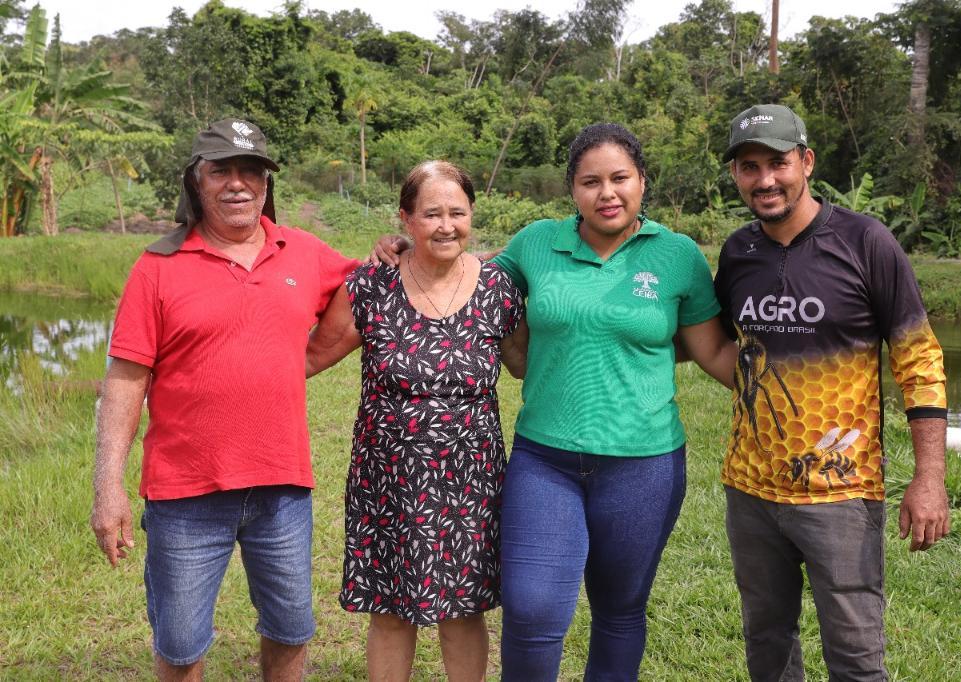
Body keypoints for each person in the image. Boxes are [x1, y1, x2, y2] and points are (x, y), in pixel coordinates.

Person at [373, 124, 738, 681]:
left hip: (644, 463)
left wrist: (792, 386)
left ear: (642, 182)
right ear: (573, 189)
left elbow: (711, 350)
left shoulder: (678, 255)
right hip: (546, 459)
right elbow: (467, 269)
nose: (607, 193)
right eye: (591, 182)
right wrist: (409, 246)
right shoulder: (537, 243)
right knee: (532, 607)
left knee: (619, 610)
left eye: (620, 179)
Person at [89, 118, 360, 681]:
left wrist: (395, 247)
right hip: (186, 494)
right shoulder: (156, 267)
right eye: (222, 171)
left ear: (266, 183)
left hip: (281, 487)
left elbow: (371, 289)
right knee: (182, 644)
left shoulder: (302, 252)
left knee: (290, 629)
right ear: (197, 182)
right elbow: (125, 379)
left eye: (251, 171)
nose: (238, 183)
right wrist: (107, 485)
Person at [715, 103, 950, 682]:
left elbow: (919, 358)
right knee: (766, 642)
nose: (765, 180)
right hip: (751, 488)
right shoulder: (738, 253)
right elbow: (719, 344)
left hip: (841, 493)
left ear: (807, 162)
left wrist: (929, 478)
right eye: (750, 167)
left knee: (855, 654)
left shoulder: (865, 241)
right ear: (736, 175)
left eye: (778, 162)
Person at [306, 160, 526, 682]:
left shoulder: (498, 287)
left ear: (472, 215)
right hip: (389, 478)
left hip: (470, 480)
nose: (445, 224)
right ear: (405, 220)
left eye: (457, 212)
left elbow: (528, 364)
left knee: (464, 611)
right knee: (390, 610)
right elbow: (311, 357)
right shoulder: (372, 284)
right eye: (431, 214)